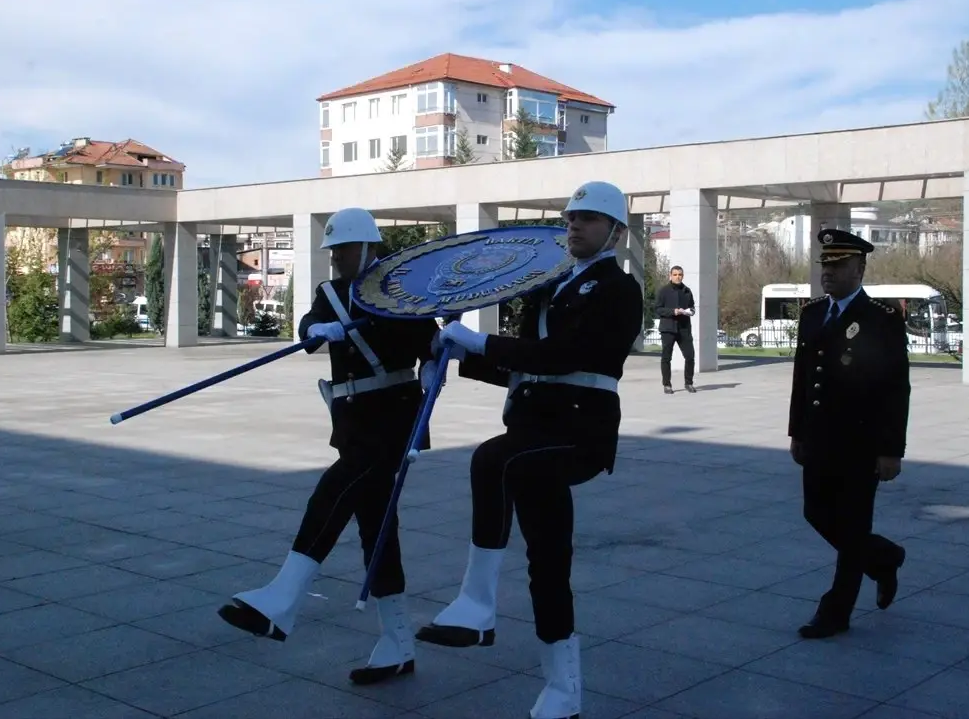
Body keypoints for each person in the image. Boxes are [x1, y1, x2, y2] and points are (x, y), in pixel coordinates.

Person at [415, 181, 644, 719]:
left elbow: (566, 356)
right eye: (571, 217)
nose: (574, 225)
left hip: (577, 433)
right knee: (548, 566)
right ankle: (563, 693)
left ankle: (476, 605)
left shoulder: (619, 288)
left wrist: (480, 341)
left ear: (615, 231)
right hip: (534, 432)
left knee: (491, 459)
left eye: (588, 218)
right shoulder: (549, 288)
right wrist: (452, 356)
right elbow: (524, 367)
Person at [217, 207, 439, 686]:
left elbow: (428, 343)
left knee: (333, 491)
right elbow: (310, 329)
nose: (336, 257)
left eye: (343, 248)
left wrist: (425, 351)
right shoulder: (330, 293)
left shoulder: (401, 290)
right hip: (353, 422)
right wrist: (315, 329)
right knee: (377, 528)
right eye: (333, 250)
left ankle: (283, 597)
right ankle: (397, 643)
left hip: (394, 418)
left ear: (369, 247)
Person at [787, 228, 910, 639]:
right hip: (819, 438)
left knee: (853, 527)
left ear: (860, 269)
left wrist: (891, 449)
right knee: (815, 513)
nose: (829, 272)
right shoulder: (812, 313)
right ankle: (884, 558)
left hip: (862, 443)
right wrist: (796, 432)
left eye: (838, 265)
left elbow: (896, 387)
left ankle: (835, 612)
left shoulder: (882, 318)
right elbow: (803, 378)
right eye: (826, 264)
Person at [653, 265, 696, 394]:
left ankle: (689, 383)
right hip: (668, 328)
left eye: (680, 275)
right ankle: (667, 385)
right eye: (675, 274)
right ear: (670, 275)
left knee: (690, 356)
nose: (678, 277)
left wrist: (690, 311)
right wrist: (673, 311)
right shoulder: (664, 291)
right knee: (666, 357)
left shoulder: (687, 291)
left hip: (684, 329)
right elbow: (658, 309)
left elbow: (692, 307)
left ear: (683, 276)